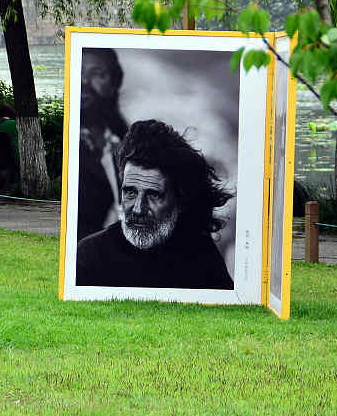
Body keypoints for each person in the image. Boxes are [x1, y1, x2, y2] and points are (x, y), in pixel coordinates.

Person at [76, 119, 234, 290]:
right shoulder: (90, 257)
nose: (138, 209)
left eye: (153, 195)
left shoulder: (202, 256)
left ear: (180, 200)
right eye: (130, 192)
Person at [77, 48, 129, 239]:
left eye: (96, 74)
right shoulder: (70, 144)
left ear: (114, 83)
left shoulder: (123, 140)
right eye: (79, 72)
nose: (84, 82)